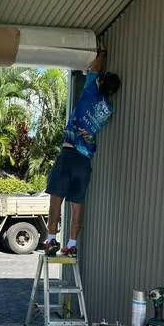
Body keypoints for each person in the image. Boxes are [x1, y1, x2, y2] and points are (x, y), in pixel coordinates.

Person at [44, 50, 120, 257]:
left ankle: (51, 241)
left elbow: (95, 68)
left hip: (68, 155)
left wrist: (102, 53)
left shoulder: (89, 93)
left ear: (100, 83)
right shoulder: (108, 108)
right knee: (77, 205)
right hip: (84, 162)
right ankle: (71, 245)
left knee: (56, 202)